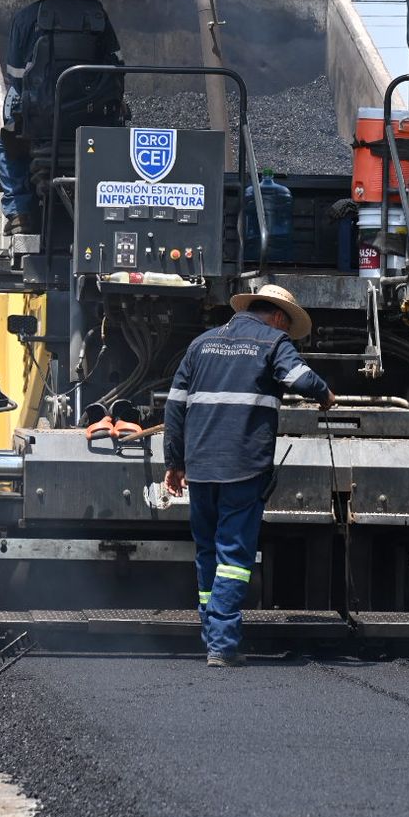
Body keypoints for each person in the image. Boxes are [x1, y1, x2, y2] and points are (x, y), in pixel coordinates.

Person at [163, 285, 334, 667]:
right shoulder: (273, 342)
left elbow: (174, 409)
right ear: (278, 317)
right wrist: (325, 395)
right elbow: (302, 381)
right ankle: (222, 645)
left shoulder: (201, 344)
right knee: (234, 558)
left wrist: (174, 463)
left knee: (208, 551)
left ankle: (211, 635)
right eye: (287, 328)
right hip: (243, 468)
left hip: (201, 468)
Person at [0, 0, 124, 235]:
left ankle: (19, 211)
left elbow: (16, 75)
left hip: (42, 117)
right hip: (92, 115)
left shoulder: (25, 19)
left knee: (5, 140)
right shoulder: (95, 13)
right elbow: (116, 64)